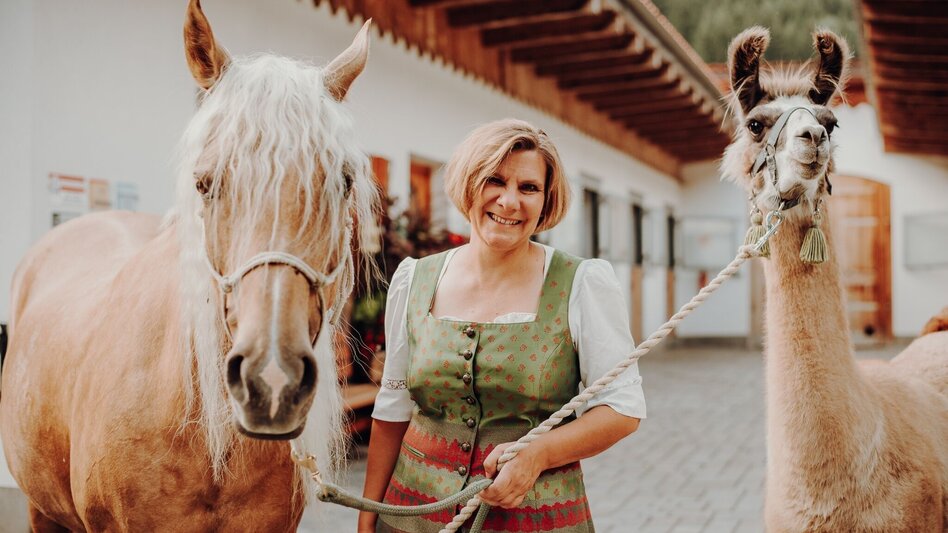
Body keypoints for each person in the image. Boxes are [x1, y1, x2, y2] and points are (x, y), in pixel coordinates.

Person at [358, 119, 646, 533]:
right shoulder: (414, 280)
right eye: (494, 180)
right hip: (411, 515)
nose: (509, 201)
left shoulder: (581, 284)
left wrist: (540, 454)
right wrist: (367, 518)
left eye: (529, 187)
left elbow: (622, 409)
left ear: (546, 200)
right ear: (468, 183)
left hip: (536, 519)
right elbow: (393, 408)